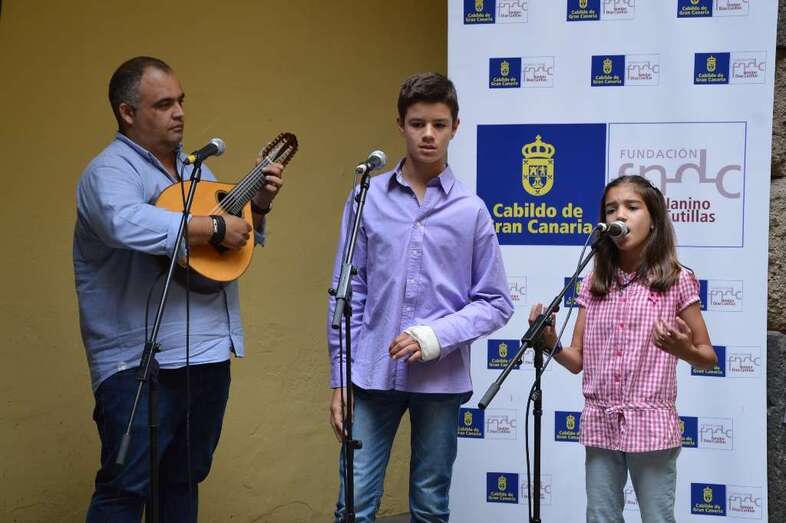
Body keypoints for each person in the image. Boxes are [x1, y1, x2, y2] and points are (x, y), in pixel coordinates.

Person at [73, 56, 284, 522]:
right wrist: (210, 225)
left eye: (181, 101)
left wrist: (259, 208)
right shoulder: (108, 172)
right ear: (128, 113)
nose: (180, 113)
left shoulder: (198, 174)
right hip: (137, 363)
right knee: (125, 489)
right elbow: (122, 221)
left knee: (182, 483)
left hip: (205, 354)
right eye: (164, 104)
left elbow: (221, 250)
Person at [327, 72, 513, 523]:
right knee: (352, 505)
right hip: (371, 376)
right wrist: (339, 379)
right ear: (400, 124)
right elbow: (347, 293)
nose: (428, 134)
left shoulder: (471, 210)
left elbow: (496, 302)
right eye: (417, 123)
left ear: (455, 127)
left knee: (430, 507)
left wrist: (435, 335)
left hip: (440, 379)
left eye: (439, 124)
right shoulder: (365, 196)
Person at [529, 175, 717, 523]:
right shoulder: (593, 281)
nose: (620, 215)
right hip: (600, 422)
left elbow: (708, 355)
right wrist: (550, 343)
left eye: (632, 207)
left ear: (654, 219)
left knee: (656, 517)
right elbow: (576, 361)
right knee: (600, 515)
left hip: (652, 424)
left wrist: (682, 347)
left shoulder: (676, 279)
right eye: (611, 209)